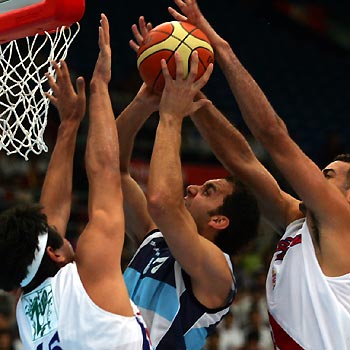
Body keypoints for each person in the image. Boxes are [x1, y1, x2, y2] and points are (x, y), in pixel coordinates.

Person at [168, 0, 350, 348]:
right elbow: (244, 164)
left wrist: (219, 47)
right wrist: (195, 101)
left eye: (328, 176)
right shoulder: (299, 222)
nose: (316, 180)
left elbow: (273, 136)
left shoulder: (341, 221)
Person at [0, 14, 151, 350]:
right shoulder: (89, 273)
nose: (63, 232)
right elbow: (107, 173)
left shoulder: (26, 309)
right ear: (53, 254)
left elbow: (48, 219)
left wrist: (69, 125)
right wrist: (100, 87)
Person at [117, 22, 260, 349]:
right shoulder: (154, 237)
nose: (193, 189)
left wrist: (171, 115)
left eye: (208, 191)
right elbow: (113, 169)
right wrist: (144, 104)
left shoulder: (218, 273)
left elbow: (162, 202)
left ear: (219, 221)